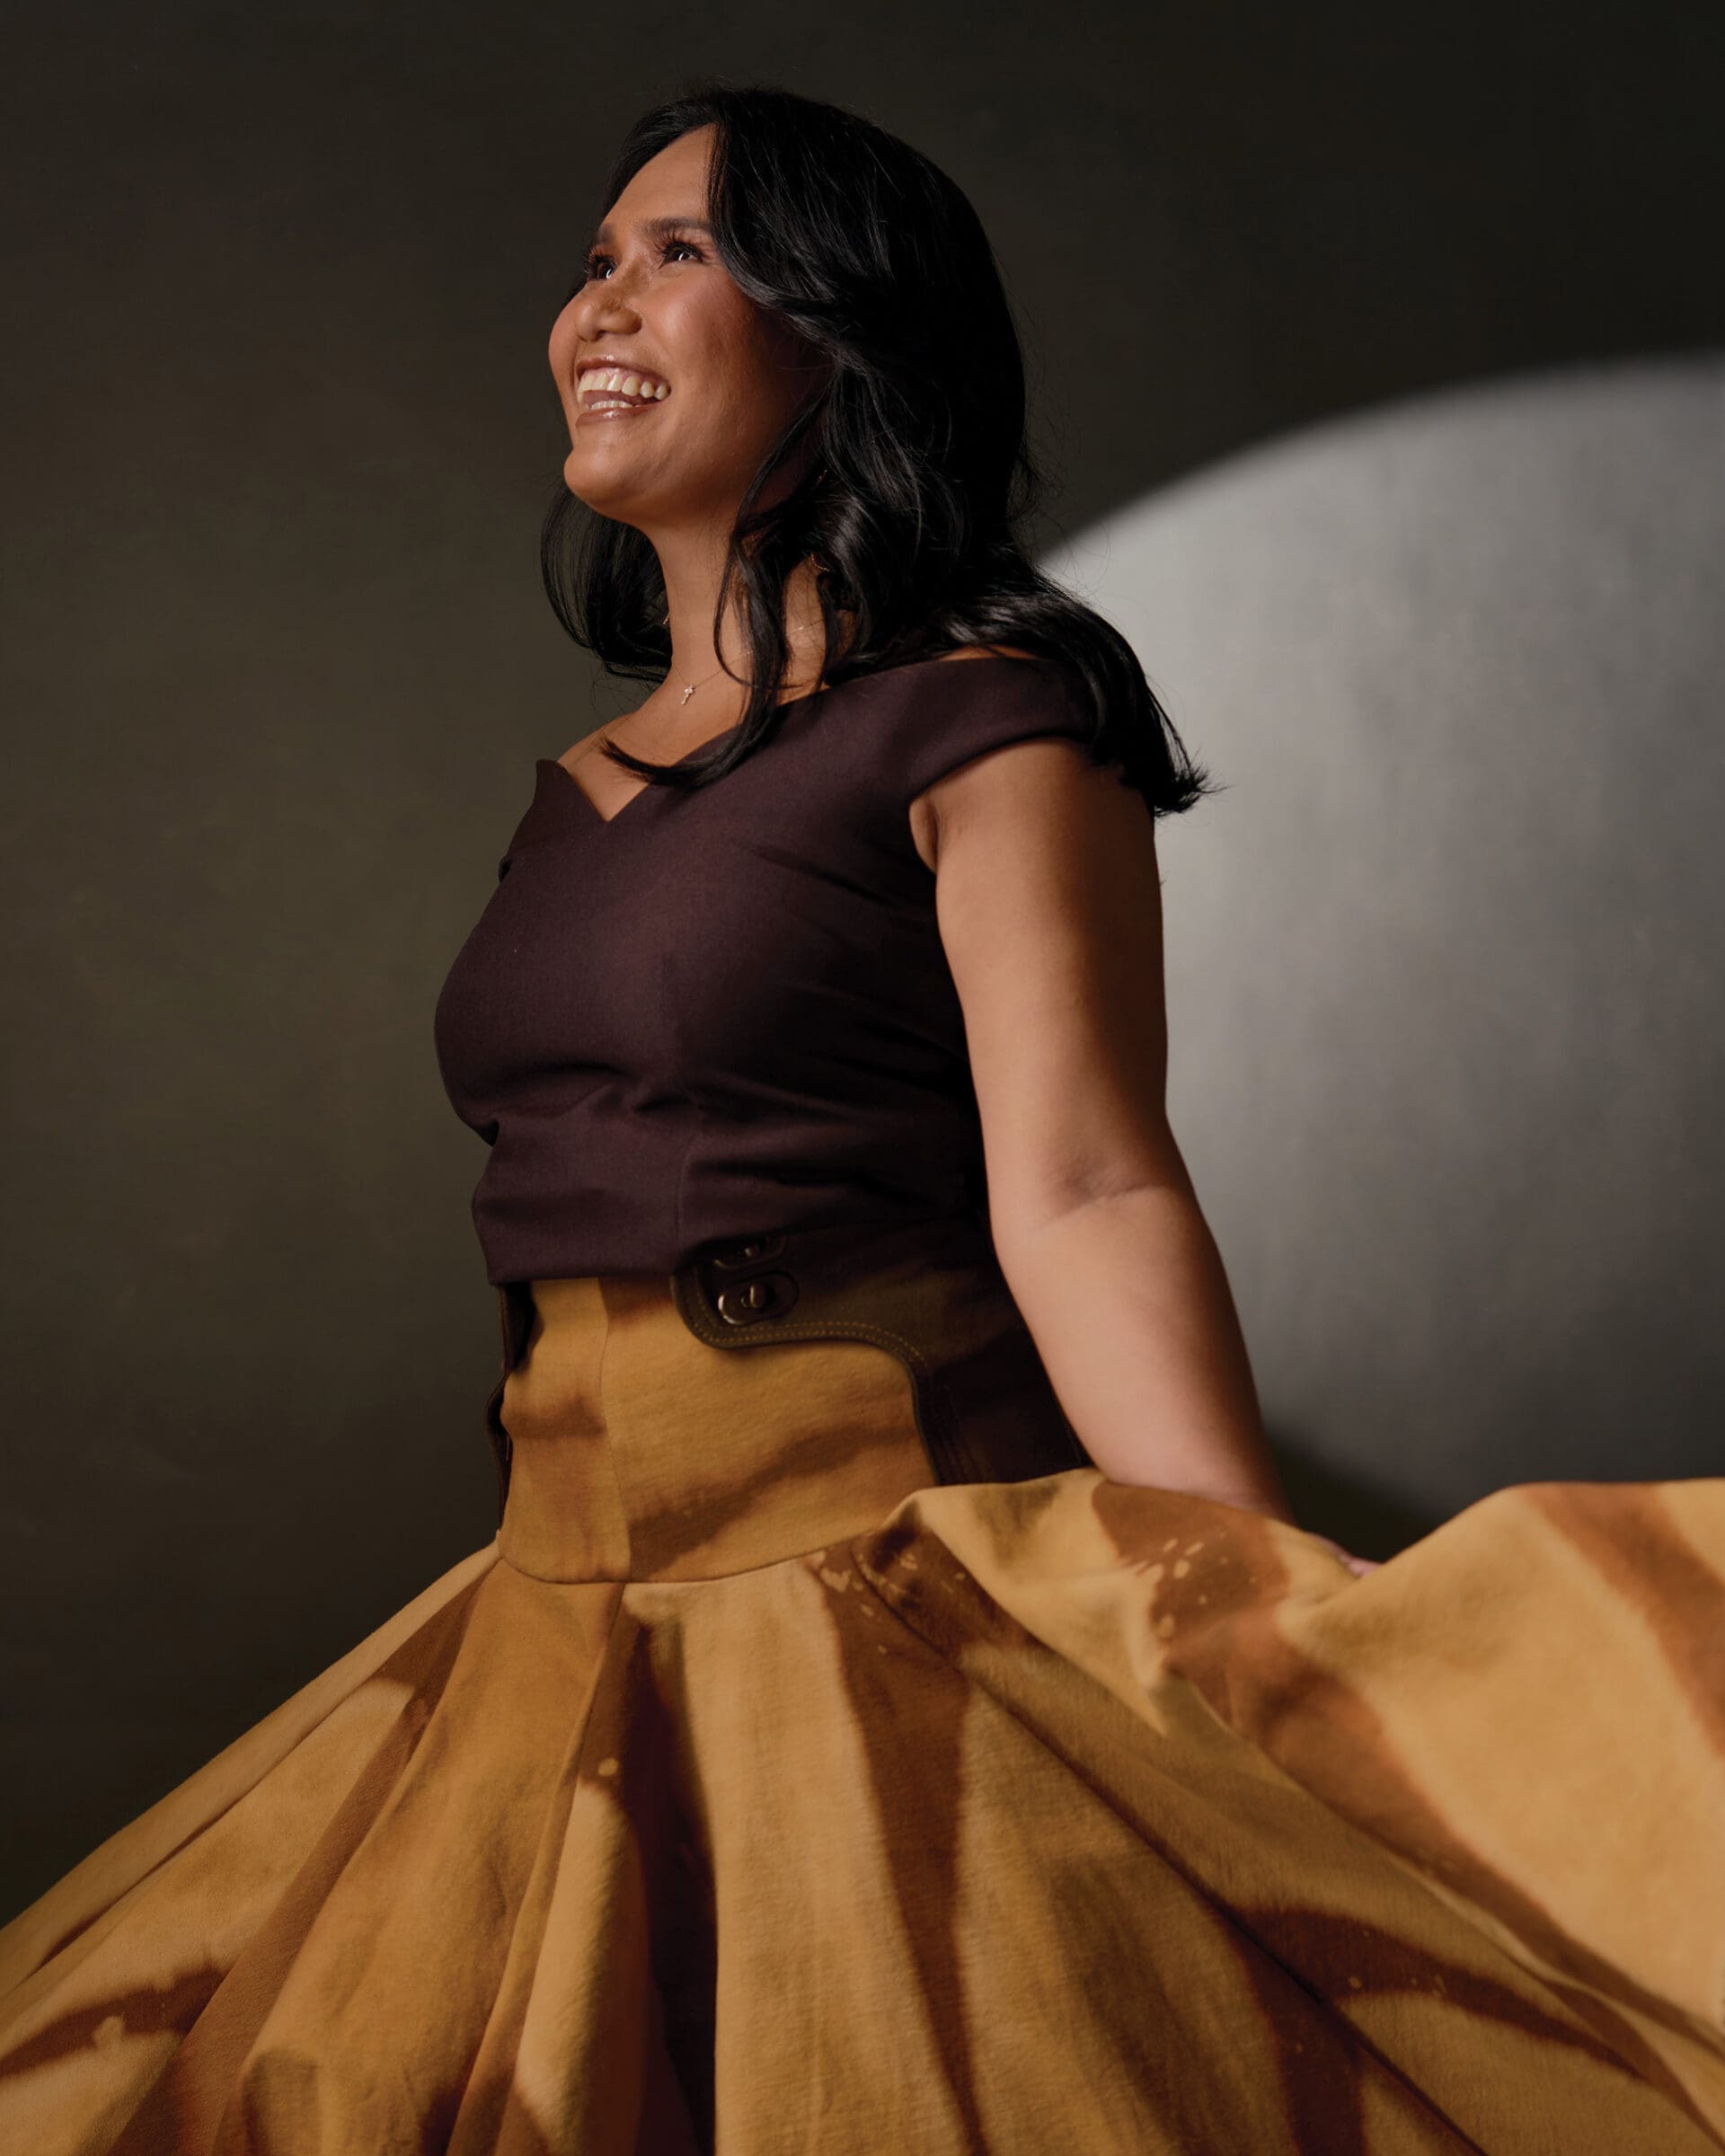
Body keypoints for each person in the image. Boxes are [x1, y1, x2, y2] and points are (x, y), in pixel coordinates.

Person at [2, 78, 1721, 2156]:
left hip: (881, 1579)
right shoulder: (578, 796)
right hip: (551, 1608)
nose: (598, 303)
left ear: (843, 333)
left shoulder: (987, 715)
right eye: (595, 257)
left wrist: (1253, 1615)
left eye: (681, 254)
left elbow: (1084, 1184)